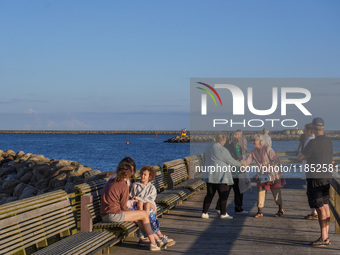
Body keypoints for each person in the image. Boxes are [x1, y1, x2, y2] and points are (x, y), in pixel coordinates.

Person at [100, 163, 165, 251]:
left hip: (105, 214)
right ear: (128, 175)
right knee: (143, 215)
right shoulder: (123, 185)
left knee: (138, 217)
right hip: (113, 215)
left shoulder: (111, 181)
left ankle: (154, 239)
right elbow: (123, 207)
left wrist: (134, 214)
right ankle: (154, 242)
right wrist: (133, 212)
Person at [298, 117, 333, 247]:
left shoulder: (313, 142)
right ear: (323, 128)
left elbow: (300, 156)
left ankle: (324, 237)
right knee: (325, 205)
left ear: (312, 128)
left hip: (315, 178)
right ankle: (326, 236)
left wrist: (305, 155)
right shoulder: (329, 141)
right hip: (326, 176)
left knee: (319, 208)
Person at [130, 165, 175, 247]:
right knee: (145, 209)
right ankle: (157, 234)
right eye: (142, 174)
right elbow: (131, 197)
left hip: (150, 204)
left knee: (146, 205)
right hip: (140, 207)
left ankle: (148, 233)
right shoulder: (135, 185)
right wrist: (136, 199)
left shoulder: (151, 187)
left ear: (149, 177)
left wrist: (138, 198)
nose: (142, 176)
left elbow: (150, 199)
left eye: (145, 175)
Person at [241, 134, 285, 218]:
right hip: (262, 175)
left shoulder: (268, 149)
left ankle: (280, 210)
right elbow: (248, 160)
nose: (252, 142)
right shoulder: (253, 151)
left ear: (260, 141)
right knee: (260, 192)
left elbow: (276, 160)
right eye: (252, 140)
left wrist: (269, 167)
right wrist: (242, 164)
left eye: (254, 140)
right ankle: (259, 211)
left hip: (272, 174)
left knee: (276, 192)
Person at [202, 133, 242, 220]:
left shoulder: (208, 148)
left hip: (210, 175)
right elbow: (231, 161)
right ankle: (223, 213)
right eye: (224, 140)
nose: (225, 142)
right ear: (222, 140)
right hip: (221, 175)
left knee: (209, 194)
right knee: (223, 194)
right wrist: (240, 164)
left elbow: (205, 158)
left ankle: (204, 212)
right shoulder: (222, 149)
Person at [225, 131, 248, 214]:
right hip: (231, 172)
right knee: (227, 190)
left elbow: (241, 157)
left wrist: (243, 159)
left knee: (239, 190)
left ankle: (238, 207)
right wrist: (237, 157)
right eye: (235, 137)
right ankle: (219, 207)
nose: (237, 138)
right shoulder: (229, 147)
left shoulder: (240, 147)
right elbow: (228, 158)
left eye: (238, 137)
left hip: (239, 171)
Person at [300, 123, 317, 220]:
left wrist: (300, 156)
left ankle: (314, 211)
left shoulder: (311, 139)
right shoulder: (310, 139)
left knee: (311, 190)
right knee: (312, 189)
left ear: (309, 130)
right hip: (310, 169)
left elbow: (306, 154)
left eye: (305, 129)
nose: (303, 131)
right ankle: (314, 211)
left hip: (310, 169)